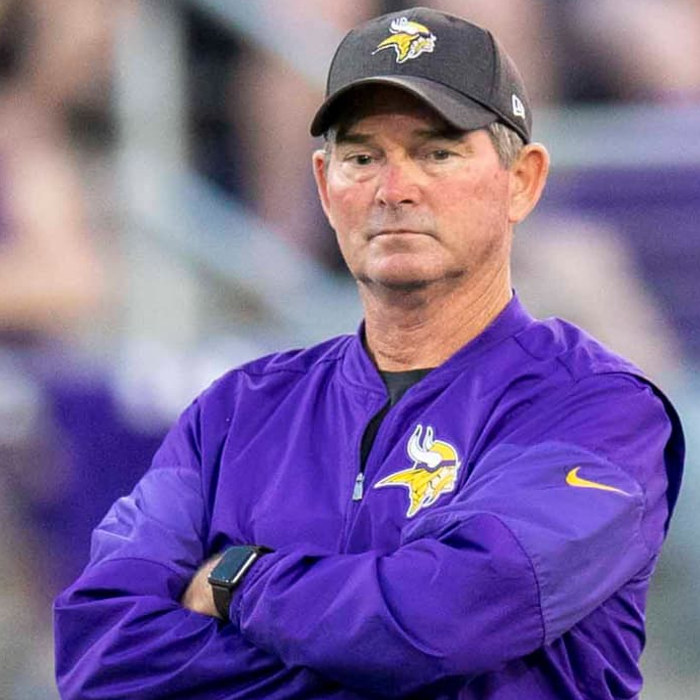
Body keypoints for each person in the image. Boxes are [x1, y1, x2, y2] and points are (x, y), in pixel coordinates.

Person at [53, 7, 684, 699]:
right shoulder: (235, 412)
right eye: (362, 158)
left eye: (437, 153)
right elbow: (100, 650)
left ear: (522, 181)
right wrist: (374, 659)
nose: (394, 189)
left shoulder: (598, 409)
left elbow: (448, 618)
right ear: (325, 187)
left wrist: (239, 580)